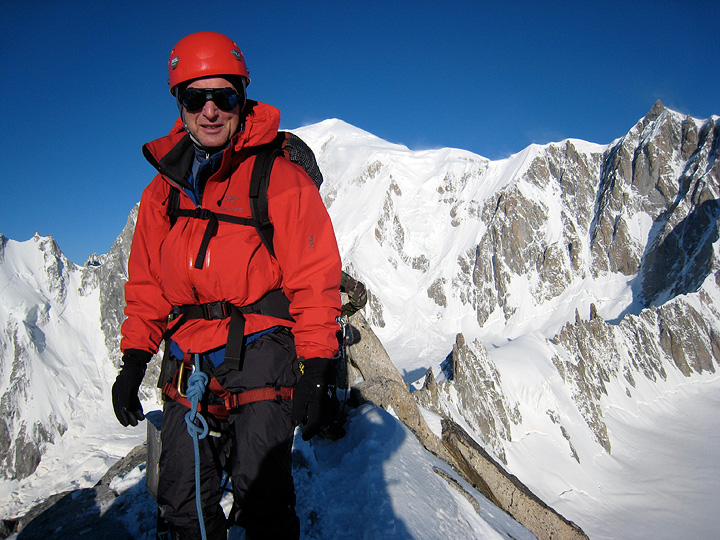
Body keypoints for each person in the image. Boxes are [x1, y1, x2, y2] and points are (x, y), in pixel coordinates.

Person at [111, 31, 342, 540]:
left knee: (264, 502)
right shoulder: (161, 193)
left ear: (243, 99)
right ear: (180, 103)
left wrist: (318, 365)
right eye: (196, 97)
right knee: (180, 506)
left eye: (225, 96)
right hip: (187, 360)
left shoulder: (280, 179)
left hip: (261, 348)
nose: (211, 110)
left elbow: (314, 278)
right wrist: (133, 361)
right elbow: (147, 282)